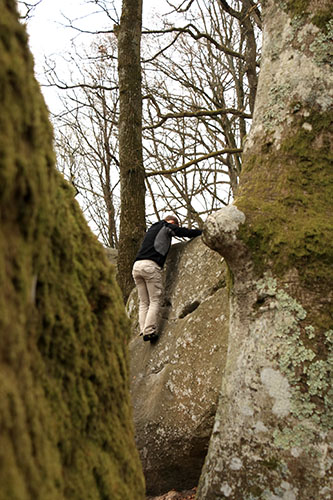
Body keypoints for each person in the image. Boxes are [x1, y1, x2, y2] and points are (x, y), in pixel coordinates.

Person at [132, 215, 202, 342]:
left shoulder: (152, 229)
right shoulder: (166, 226)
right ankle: (149, 331)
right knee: (155, 300)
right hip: (150, 266)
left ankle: (143, 329)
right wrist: (201, 232)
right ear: (172, 222)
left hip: (136, 266)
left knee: (143, 302)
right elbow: (183, 233)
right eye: (175, 225)